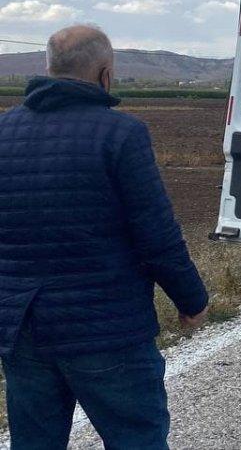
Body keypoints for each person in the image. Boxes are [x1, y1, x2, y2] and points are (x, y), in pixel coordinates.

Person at [0, 24, 209, 449]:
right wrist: (191, 300)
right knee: (137, 439)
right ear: (105, 74)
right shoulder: (121, 134)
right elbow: (156, 233)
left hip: (22, 328)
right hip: (107, 329)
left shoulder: (4, 132)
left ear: (48, 68)